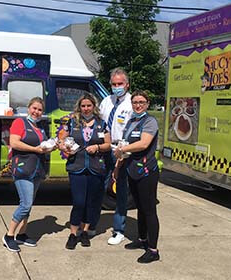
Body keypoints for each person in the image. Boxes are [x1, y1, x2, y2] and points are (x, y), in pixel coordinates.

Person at [58, 93, 111, 250]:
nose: (86, 108)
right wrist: (65, 147)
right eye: (83, 106)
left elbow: (108, 144)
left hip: (96, 168)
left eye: (89, 105)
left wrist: (98, 147)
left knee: (91, 202)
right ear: (79, 107)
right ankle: (73, 233)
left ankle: (85, 232)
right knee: (79, 202)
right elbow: (61, 140)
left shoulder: (102, 123)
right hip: (77, 167)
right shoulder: (72, 122)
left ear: (94, 106)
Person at [113, 90, 160, 264]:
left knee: (149, 210)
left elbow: (144, 143)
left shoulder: (150, 121)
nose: (138, 105)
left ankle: (153, 250)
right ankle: (142, 240)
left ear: (147, 103)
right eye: (135, 102)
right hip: (132, 169)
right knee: (139, 207)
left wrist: (122, 150)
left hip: (146, 171)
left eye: (141, 102)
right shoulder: (132, 121)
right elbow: (125, 145)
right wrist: (118, 166)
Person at [2, 97, 51, 252]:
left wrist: (52, 146)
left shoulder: (40, 127)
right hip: (23, 169)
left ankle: (22, 235)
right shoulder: (20, 123)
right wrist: (36, 149)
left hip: (36, 170)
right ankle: (9, 236)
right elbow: (14, 142)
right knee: (25, 204)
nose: (36, 112)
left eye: (40, 110)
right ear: (28, 108)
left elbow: (43, 146)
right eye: (34, 108)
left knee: (28, 205)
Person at [95, 67, 133, 245]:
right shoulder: (106, 101)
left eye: (120, 84)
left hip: (122, 149)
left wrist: (123, 152)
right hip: (105, 148)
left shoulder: (132, 103)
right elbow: (100, 124)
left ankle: (119, 230)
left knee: (120, 191)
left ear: (127, 84)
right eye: (114, 84)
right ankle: (91, 224)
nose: (117, 87)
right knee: (98, 188)